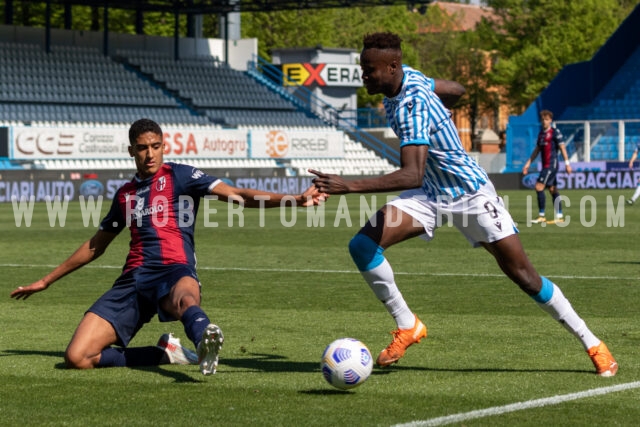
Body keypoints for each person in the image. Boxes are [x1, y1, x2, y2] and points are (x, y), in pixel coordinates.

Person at [310, 32, 617, 377]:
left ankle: (593, 343)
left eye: (369, 70)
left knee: (524, 276)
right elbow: (457, 90)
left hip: (470, 194)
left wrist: (346, 185)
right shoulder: (409, 77)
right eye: (362, 68)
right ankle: (407, 324)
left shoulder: (412, 103)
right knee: (363, 246)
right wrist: (443, 115)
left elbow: (411, 173)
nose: (363, 76)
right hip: (431, 192)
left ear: (392, 66)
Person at [10, 118, 327, 375]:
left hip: (173, 270)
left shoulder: (182, 175)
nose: (150, 154)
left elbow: (237, 195)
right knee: (77, 357)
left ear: (164, 146)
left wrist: (295, 199)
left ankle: (204, 337)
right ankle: (162, 353)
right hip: (133, 279)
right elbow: (96, 245)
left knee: (185, 299)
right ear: (131, 151)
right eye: (142, 148)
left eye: (156, 146)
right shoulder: (125, 194)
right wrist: (47, 280)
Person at [521, 110, 572, 224]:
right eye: (543, 119)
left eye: (547, 119)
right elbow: (537, 150)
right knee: (553, 190)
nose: (544, 121)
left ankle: (542, 215)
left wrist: (567, 164)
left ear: (551, 120)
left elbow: (562, 148)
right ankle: (559, 216)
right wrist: (528, 163)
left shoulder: (555, 132)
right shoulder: (541, 134)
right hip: (545, 165)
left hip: (551, 165)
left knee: (539, 187)